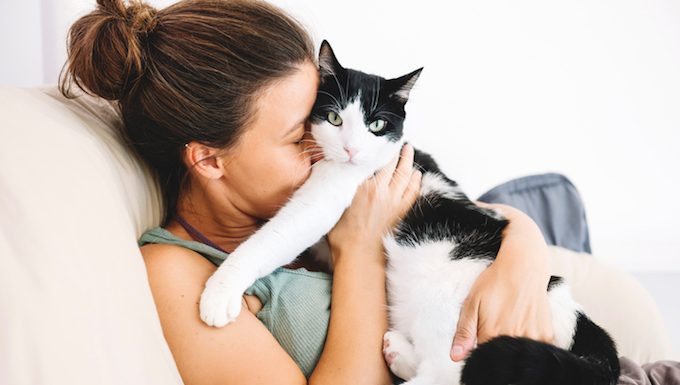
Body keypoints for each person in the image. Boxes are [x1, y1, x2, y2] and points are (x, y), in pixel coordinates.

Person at [60, 1, 672, 384]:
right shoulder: (176, 272)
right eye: (297, 136)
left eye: (319, 119)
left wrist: (525, 244)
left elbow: (475, 218)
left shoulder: (310, 197)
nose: (324, 148)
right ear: (209, 159)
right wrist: (360, 252)